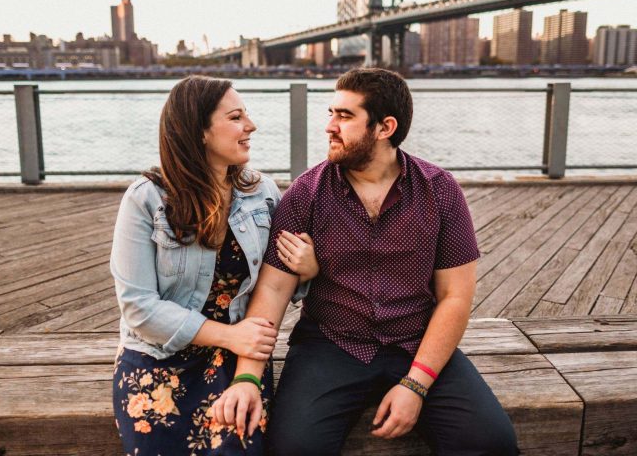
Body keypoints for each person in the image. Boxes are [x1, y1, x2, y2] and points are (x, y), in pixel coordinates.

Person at [212, 68, 520, 455]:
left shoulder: (440, 192)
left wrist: (416, 384)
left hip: (417, 342)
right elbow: (273, 291)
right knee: (294, 448)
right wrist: (247, 378)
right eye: (331, 113)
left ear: (384, 127)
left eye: (344, 116)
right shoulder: (305, 195)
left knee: (491, 442)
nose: (329, 126)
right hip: (331, 344)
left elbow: (455, 297)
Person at [110, 75, 318, 455]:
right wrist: (228, 335)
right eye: (236, 117)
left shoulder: (263, 193)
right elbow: (138, 307)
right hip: (157, 359)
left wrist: (307, 270)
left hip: (237, 361)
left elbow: (279, 285)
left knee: (237, 444)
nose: (250, 126)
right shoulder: (146, 200)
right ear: (199, 132)